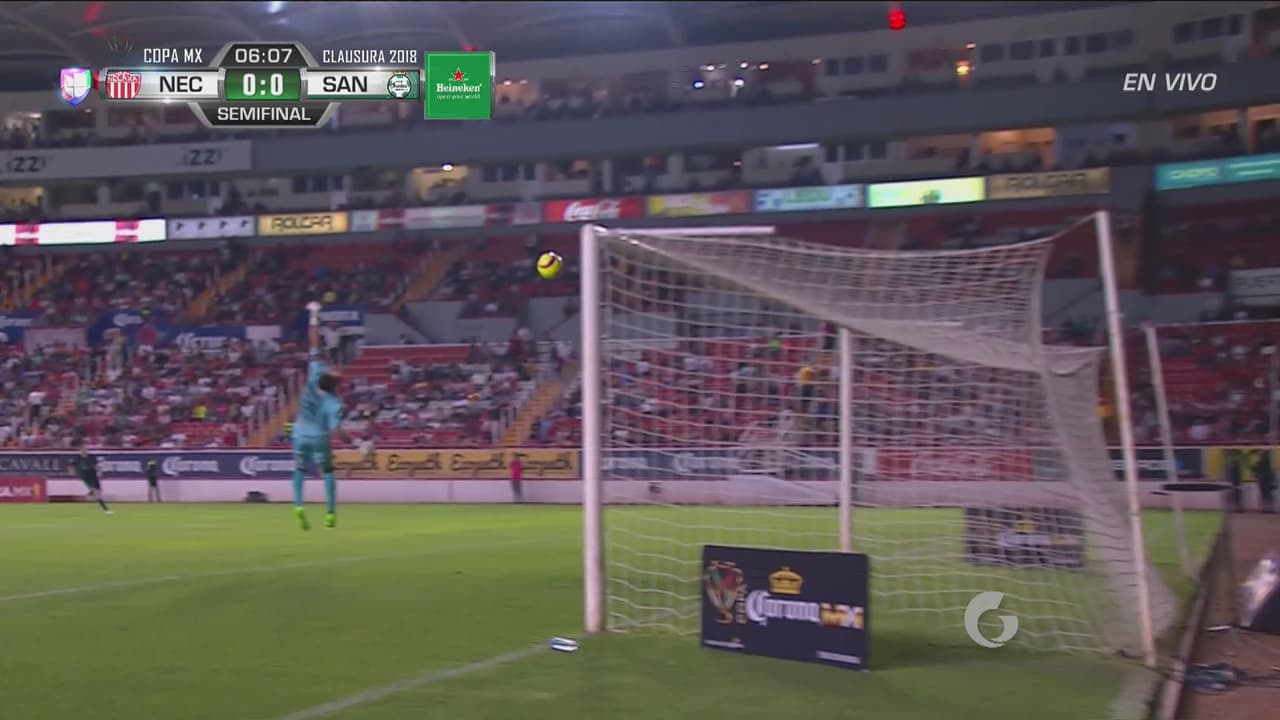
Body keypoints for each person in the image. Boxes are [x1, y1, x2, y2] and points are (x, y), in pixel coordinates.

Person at [291, 301, 346, 531]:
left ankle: (298, 505)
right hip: (319, 436)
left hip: (299, 431)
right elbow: (337, 431)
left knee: (299, 469)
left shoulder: (315, 372)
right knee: (328, 471)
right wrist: (354, 442)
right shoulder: (334, 402)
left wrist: (314, 315)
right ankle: (330, 512)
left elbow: (313, 340)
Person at [73, 447, 111, 515]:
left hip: (94, 476)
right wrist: (76, 473)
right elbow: (72, 465)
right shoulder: (77, 458)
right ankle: (105, 510)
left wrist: (98, 470)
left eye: (85, 450)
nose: (83, 452)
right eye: (82, 450)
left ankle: (90, 493)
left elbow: (96, 465)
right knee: (97, 493)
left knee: (99, 491)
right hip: (86, 477)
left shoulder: (92, 457)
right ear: (80, 451)